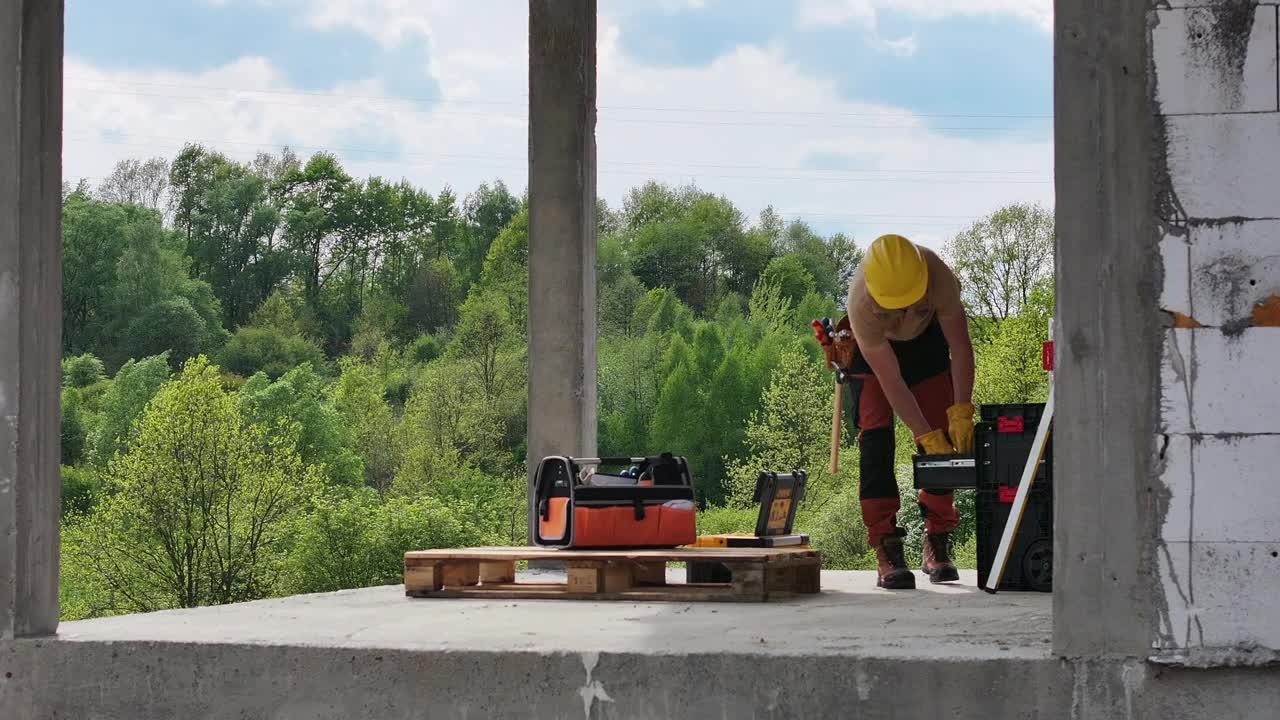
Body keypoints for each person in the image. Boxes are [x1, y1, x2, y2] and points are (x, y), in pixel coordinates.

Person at [842, 234, 975, 589]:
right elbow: (892, 382)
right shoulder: (861, 303)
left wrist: (961, 409)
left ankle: (937, 540)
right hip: (877, 362)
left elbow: (960, 348)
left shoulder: (938, 276)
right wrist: (922, 435)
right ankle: (886, 546)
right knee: (875, 442)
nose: (902, 310)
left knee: (943, 441)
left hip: (927, 347)